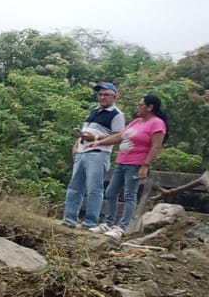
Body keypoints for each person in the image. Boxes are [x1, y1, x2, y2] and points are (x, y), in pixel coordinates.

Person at [90, 94, 169, 238]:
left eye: (140, 105)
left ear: (150, 107)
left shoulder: (157, 124)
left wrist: (145, 165)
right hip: (122, 161)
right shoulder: (137, 121)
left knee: (129, 195)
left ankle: (122, 227)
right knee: (111, 192)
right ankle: (108, 223)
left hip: (136, 164)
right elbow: (120, 136)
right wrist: (99, 142)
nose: (137, 108)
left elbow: (156, 146)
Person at [61, 82, 126, 228]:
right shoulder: (93, 111)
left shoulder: (117, 114)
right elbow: (85, 132)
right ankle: (69, 219)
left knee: (94, 189)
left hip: (98, 153)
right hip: (82, 152)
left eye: (106, 94)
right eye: (100, 94)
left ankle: (90, 222)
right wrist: (76, 145)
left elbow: (118, 136)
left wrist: (96, 139)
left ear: (114, 96)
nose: (102, 97)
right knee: (74, 187)